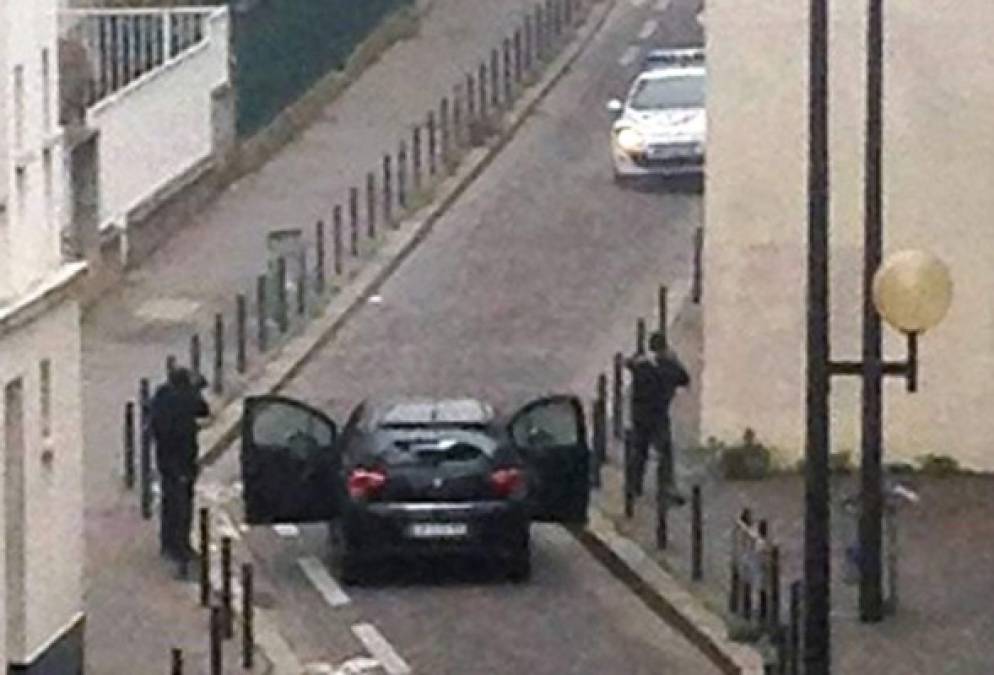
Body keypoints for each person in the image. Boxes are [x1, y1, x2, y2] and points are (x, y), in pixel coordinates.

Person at [149, 367, 210, 563]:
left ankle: (167, 542)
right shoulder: (185, 400)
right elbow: (203, 409)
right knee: (183, 505)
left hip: (164, 458)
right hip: (183, 459)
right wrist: (196, 389)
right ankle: (181, 547)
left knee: (169, 501)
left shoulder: (162, 395)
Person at [625, 331, 690, 501]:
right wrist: (673, 359)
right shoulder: (670, 366)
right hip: (659, 415)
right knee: (664, 452)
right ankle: (665, 488)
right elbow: (684, 378)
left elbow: (628, 364)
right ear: (665, 347)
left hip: (639, 414)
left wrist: (638, 359)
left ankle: (633, 486)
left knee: (639, 451)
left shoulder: (642, 365)